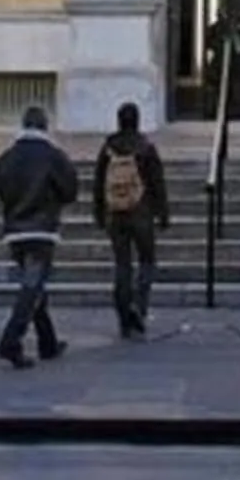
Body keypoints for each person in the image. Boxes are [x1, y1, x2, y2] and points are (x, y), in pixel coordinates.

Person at [0, 103, 78, 369]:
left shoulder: (7, 157)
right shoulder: (53, 156)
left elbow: (1, 188)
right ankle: (11, 340)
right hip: (42, 229)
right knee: (32, 287)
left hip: (15, 229)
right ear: (44, 126)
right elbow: (70, 189)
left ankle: (48, 342)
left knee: (35, 285)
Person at [92, 101, 171, 338]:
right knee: (147, 261)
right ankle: (139, 304)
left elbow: (98, 183)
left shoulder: (108, 148)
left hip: (116, 213)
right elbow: (157, 183)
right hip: (141, 212)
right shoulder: (145, 147)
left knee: (122, 265)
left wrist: (98, 212)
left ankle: (123, 315)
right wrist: (163, 213)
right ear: (137, 121)